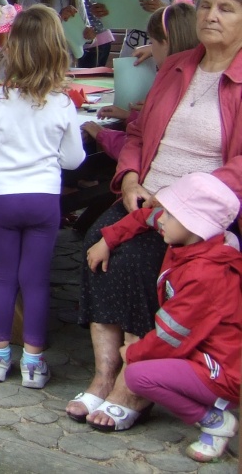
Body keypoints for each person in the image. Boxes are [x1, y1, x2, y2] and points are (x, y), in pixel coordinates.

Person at [69, 0, 242, 430]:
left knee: (137, 261)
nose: (212, 15)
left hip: (201, 209)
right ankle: (105, 374)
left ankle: (134, 384)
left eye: (227, 9)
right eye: (206, 5)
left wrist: (183, 199)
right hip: (146, 194)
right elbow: (138, 132)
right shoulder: (177, 65)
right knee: (96, 239)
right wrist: (128, 178)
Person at [0, 5, 86, 388]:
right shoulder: (63, 104)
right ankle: (33, 361)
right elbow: (74, 159)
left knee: (4, 277)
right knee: (36, 280)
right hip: (43, 200)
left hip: (2, 198)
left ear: (12, 49)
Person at [85, 172, 242, 459]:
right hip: (200, 353)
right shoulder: (189, 236)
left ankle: (214, 420)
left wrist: (133, 352)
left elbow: (172, 335)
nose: (162, 219)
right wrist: (108, 240)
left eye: (170, 214)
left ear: (192, 223)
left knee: (137, 375)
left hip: (222, 371)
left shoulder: (205, 275)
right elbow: (146, 216)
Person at [83, 2, 198, 158]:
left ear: (165, 43)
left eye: (152, 43)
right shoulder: (195, 77)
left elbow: (144, 149)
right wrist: (130, 116)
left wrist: (102, 135)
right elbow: (158, 126)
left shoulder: (169, 86)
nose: (150, 49)